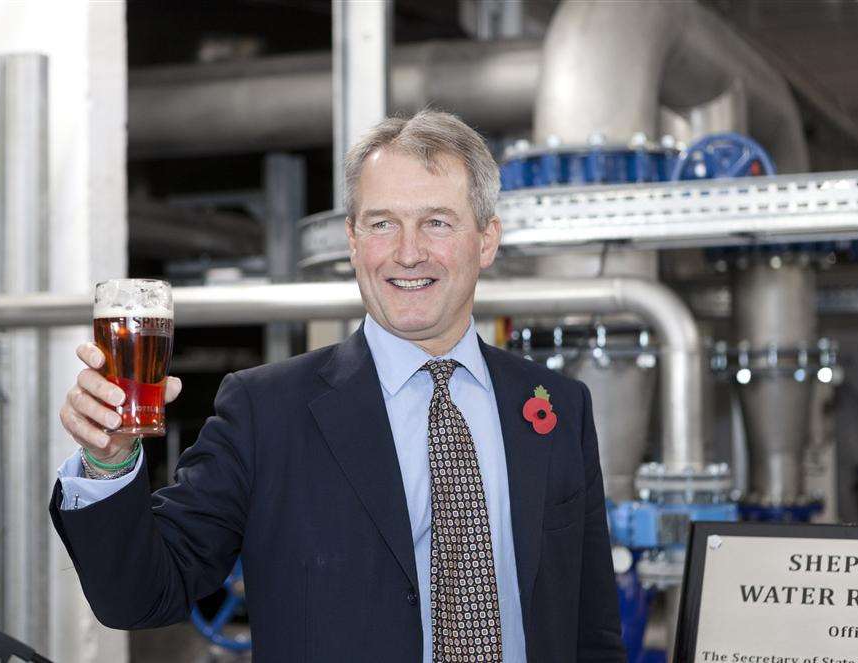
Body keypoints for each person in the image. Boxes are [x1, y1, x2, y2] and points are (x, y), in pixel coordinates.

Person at [51, 110, 626, 663]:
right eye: (382, 223)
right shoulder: (265, 411)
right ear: (353, 241)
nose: (408, 252)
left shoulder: (555, 407)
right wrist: (109, 463)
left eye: (437, 222)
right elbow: (141, 595)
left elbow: (591, 629)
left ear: (487, 239)